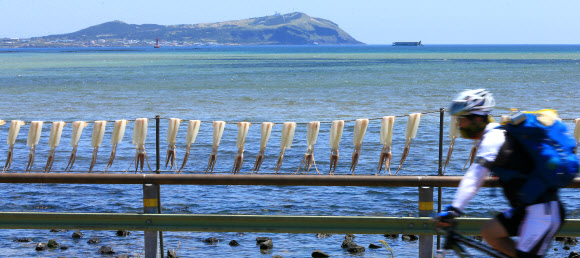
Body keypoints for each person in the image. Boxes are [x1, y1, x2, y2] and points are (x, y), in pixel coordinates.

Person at [436, 89, 565, 258]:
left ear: (477, 119)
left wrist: (454, 209)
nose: (459, 125)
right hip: (526, 209)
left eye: (462, 120)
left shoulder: (493, 139)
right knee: (490, 233)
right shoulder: (492, 136)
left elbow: (475, 177)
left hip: (542, 212)